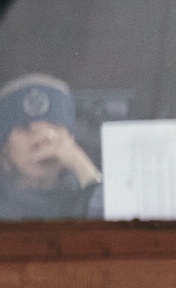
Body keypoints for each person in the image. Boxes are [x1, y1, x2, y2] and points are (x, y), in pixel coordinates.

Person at [0, 73, 101, 220]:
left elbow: (120, 226)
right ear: (4, 151)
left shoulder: (88, 197)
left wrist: (85, 170)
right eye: (25, 130)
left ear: (71, 142)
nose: (42, 138)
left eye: (54, 128)